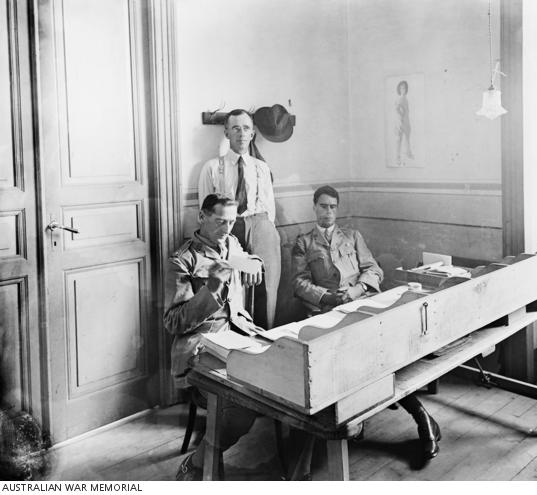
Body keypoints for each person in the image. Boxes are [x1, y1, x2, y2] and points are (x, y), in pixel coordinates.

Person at [291, 185, 441, 465]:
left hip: (360, 302)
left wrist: (357, 291)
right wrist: (327, 297)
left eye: (333, 206)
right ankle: (419, 417)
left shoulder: (352, 236)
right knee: (363, 358)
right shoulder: (303, 242)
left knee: (382, 353)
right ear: (314, 207)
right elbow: (299, 283)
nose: (328, 212)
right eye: (323, 206)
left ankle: (421, 418)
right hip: (327, 312)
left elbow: (374, 269)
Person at [164, 193, 264, 481]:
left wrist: (254, 262)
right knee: (241, 409)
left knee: (283, 380)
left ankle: (206, 459)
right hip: (201, 349)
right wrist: (212, 290)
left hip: (240, 337)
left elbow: (245, 256)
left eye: (232, 222)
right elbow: (174, 322)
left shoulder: (230, 243)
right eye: (220, 221)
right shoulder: (182, 260)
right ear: (202, 217)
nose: (227, 230)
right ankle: (197, 463)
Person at [198, 109, 281, 330]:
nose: (241, 134)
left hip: (262, 227)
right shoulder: (212, 168)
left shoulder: (261, 168)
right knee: (234, 290)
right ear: (226, 132)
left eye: (246, 128)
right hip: (230, 231)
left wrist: (263, 231)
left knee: (265, 288)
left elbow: (269, 210)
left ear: (252, 133)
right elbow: (206, 212)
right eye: (235, 128)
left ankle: (264, 341)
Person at [395, 80, 414, 165]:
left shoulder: (405, 98)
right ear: (399, 89)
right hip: (401, 122)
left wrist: (406, 119)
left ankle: (408, 154)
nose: (403, 89)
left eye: (405, 88)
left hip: (406, 122)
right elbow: (397, 108)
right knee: (399, 140)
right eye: (402, 88)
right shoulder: (400, 98)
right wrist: (401, 115)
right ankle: (397, 158)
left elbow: (406, 111)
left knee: (407, 139)